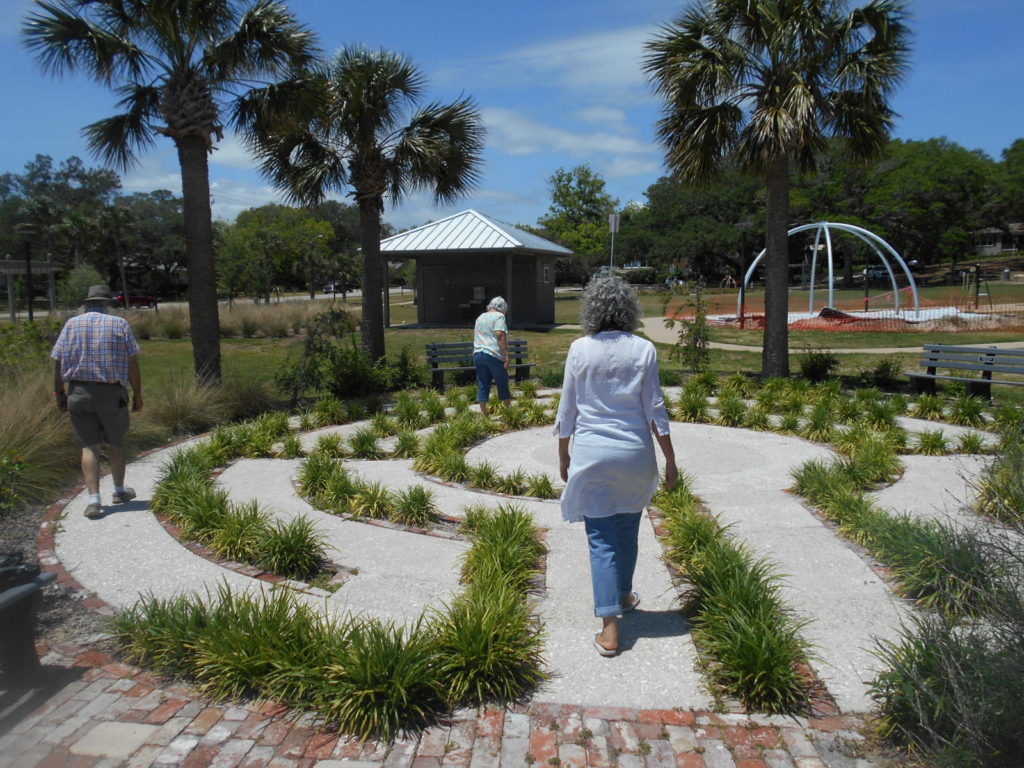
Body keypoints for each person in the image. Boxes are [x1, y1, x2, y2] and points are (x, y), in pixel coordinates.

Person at [554, 275, 678, 657]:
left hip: (592, 455)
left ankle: (610, 630)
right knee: (627, 529)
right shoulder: (644, 349)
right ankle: (622, 595)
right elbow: (654, 409)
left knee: (601, 539)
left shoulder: (579, 349)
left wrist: (563, 454)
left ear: (591, 309)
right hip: (634, 454)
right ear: (629, 310)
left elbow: (567, 408)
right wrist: (671, 459)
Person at [51, 285, 144, 519]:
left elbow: (58, 362)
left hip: (79, 391)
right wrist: (138, 393)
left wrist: (59, 394)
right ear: (107, 304)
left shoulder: (71, 324)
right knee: (115, 442)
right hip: (111, 392)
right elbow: (132, 363)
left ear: (86, 303)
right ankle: (120, 490)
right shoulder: (119, 324)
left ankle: (94, 499)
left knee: (88, 445)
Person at [473, 296, 511, 415]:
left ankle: (484, 415)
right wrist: (507, 354)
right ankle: (508, 413)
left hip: (478, 353)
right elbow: (500, 334)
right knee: (502, 382)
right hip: (493, 354)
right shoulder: (499, 316)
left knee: (483, 384)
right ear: (503, 308)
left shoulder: (480, 317)